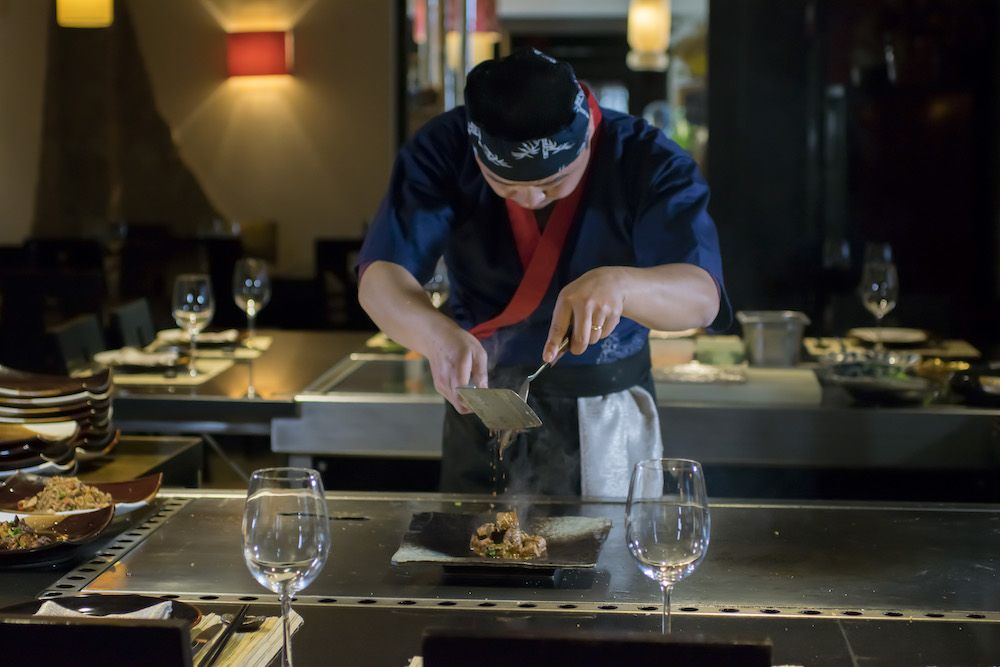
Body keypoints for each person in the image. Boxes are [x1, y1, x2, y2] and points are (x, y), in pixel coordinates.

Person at [357, 48, 730, 496]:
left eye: (553, 183)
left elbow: (702, 297)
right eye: (505, 185)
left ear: (588, 136)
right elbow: (380, 277)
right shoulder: (444, 146)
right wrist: (435, 336)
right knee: (472, 553)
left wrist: (622, 285)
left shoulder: (647, 157)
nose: (530, 200)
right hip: (481, 398)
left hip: (605, 404)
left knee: (607, 560)